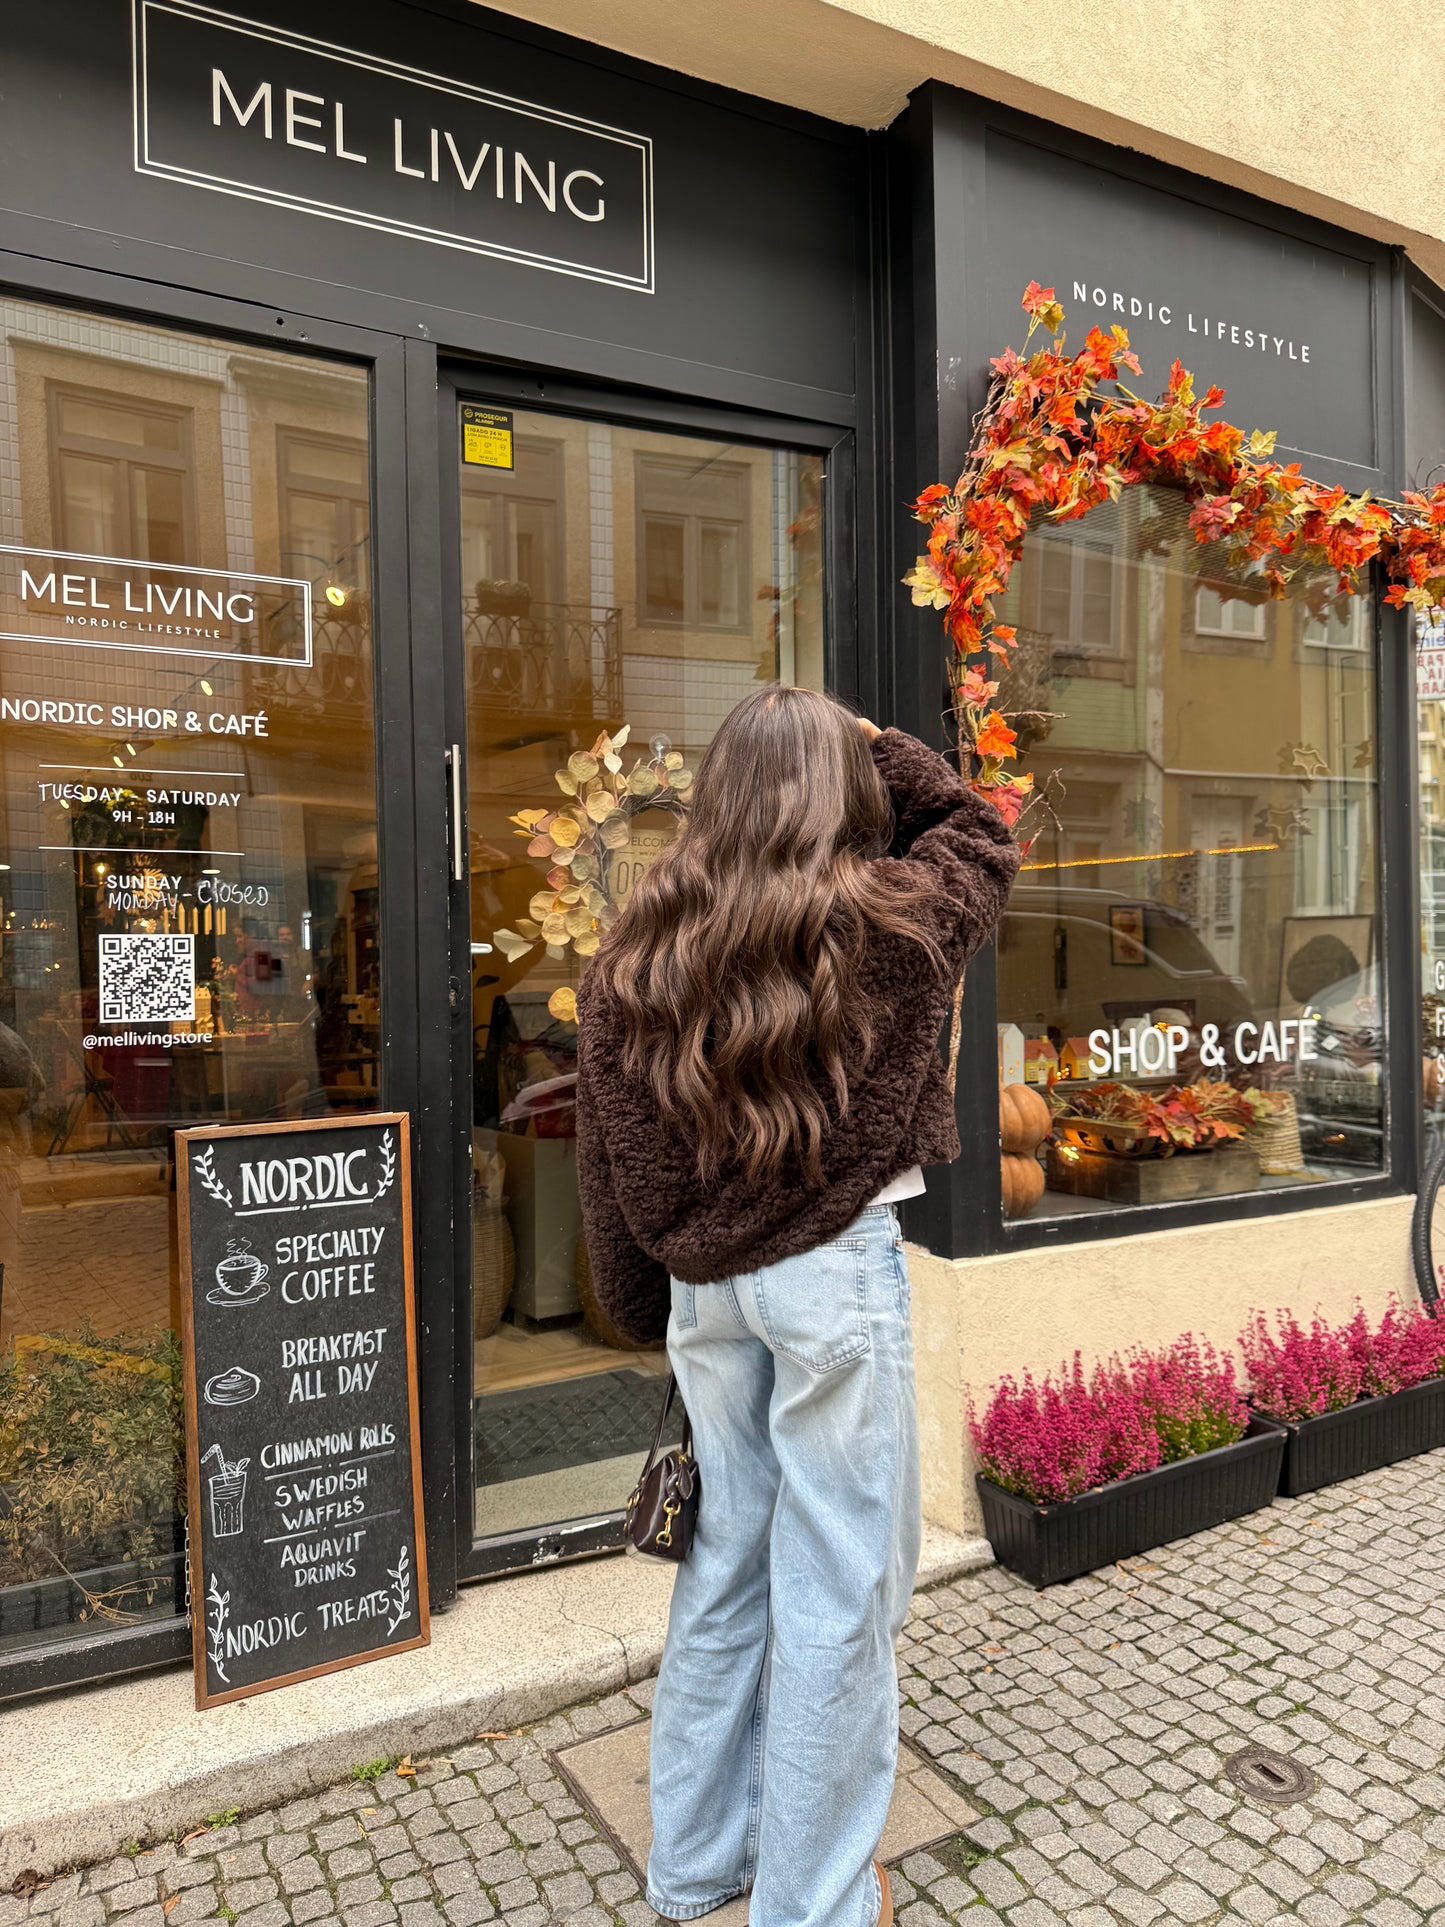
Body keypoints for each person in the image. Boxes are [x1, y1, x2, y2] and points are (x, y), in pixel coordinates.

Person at [575, 686, 1020, 1927]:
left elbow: (606, 1160)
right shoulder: (888, 921)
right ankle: (813, 1904)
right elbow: (979, 830)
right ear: (846, 797)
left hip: (708, 1293)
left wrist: (637, 1293)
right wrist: (872, 739)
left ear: (715, 796)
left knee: (725, 1574)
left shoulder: (631, 957)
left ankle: (693, 1868)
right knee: (835, 1594)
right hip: (833, 1274)